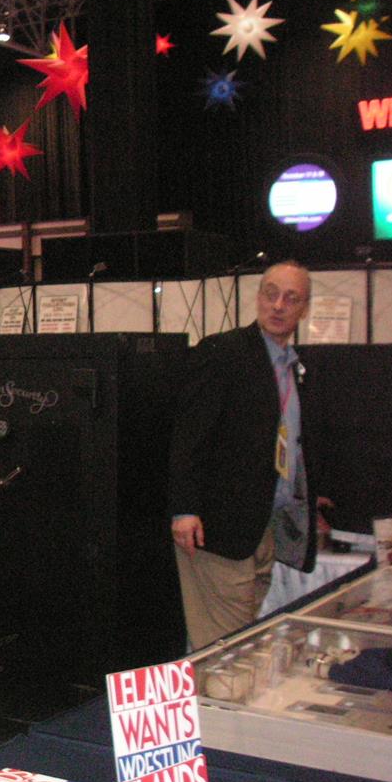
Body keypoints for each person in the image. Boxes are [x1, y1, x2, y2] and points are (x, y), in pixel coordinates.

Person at [168, 260, 319, 650]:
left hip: (264, 528)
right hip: (217, 530)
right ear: (258, 297)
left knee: (240, 644)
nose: (278, 305)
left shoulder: (292, 367)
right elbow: (188, 436)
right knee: (224, 648)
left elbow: (290, 444)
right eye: (271, 293)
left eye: (291, 298)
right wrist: (183, 509)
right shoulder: (224, 353)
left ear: (304, 309)